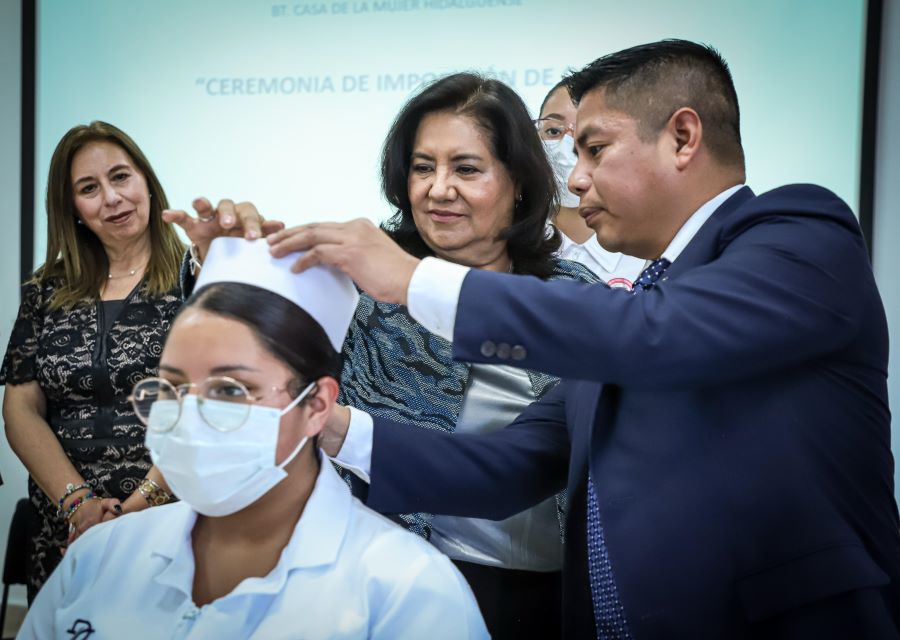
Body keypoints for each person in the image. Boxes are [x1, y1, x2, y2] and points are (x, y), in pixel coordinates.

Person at [269, 40, 900, 639]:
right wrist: (326, 424)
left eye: (594, 149)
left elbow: (656, 336)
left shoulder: (799, 234)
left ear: (683, 137)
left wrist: (413, 279)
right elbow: (508, 468)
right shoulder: (630, 308)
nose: (574, 181)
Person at [17, 238, 489, 639]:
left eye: (229, 389)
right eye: (172, 387)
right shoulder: (101, 557)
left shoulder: (407, 592)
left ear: (316, 406)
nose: (191, 414)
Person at [335, 72, 598, 638]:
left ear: (520, 183)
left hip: (549, 592)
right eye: (423, 167)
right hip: (393, 584)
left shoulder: (574, 297)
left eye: (467, 168)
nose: (438, 188)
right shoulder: (361, 292)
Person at [0, 122, 274, 601]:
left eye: (121, 177)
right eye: (89, 188)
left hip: (177, 516)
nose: (111, 198)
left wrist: (138, 505)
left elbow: (214, 403)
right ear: (73, 210)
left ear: (146, 181)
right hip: (68, 528)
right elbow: (21, 408)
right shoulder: (45, 289)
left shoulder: (198, 276)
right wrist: (79, 504)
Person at [536, 81, 644, 287]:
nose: (566, 147)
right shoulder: (515, 243)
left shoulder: (648, 249)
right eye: (553, 131)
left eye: (586, 134)